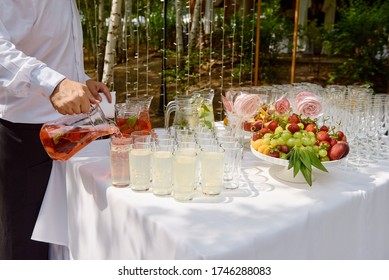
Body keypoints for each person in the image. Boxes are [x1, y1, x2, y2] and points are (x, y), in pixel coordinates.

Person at [0, 0, 111, 259]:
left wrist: (79, 81)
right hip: (25, 137)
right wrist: (54, 84)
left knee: (64, 242)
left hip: (70, 136)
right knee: (24, 250)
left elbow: (47, 49)